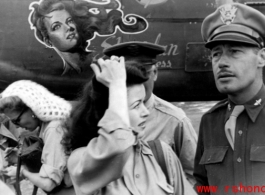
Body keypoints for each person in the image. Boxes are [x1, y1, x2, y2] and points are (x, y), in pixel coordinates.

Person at [62, 56, 196, 194]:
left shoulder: (162, 153)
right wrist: (117, 86)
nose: (146, 112)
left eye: (144, 102)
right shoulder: (80, 161)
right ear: (110, 111)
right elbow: (117, 144)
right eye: (136, 105)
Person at [194, 3, 265, 195]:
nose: (222, 63)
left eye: (234, 52)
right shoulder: (210, 121)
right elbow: (202, 186)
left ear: (262, 58)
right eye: (216, 54)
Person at [103, 41, 198, 185]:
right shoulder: (99, 116)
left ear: (155, 73)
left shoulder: (174, 120)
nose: (137, 80)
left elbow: (194, 175)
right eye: (127, 74)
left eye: (143, 72)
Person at [29, 0, 148, 74]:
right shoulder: (63, 77)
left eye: (69, 21)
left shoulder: (102, 63)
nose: (69, 27)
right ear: (47, 41)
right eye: (56, 27)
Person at [0, 80, 74, 195]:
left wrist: (23, 172)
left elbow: (48, 184)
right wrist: (21, 158)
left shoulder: (54, 128)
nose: (15, 126)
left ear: (32, 108)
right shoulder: (45, 125)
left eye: (17, 120)